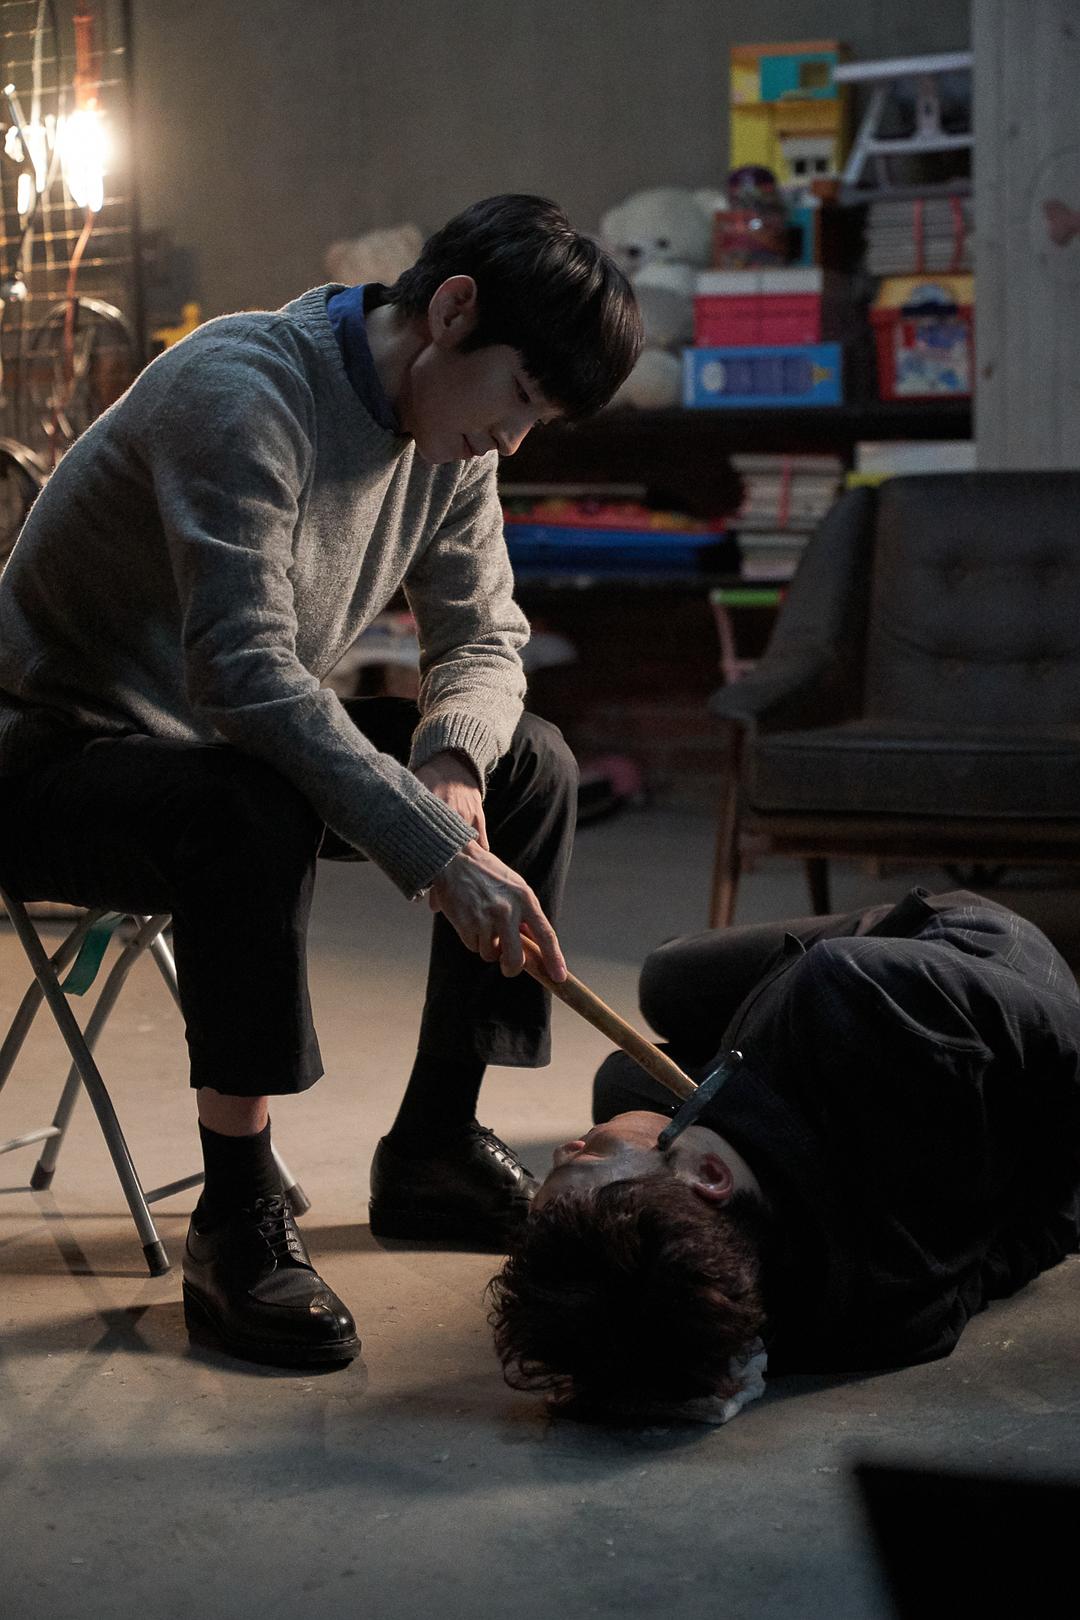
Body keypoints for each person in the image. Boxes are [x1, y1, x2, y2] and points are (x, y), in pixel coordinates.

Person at [0, 195, 643, 1369]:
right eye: (520, 398)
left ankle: (434, 1146)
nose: (514, 442)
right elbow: (245, 676)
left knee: (532, 763)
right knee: (245, 801)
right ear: (453, 312)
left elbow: (485, 636)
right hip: (49, 752)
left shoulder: (447, 441)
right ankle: (236, 1218)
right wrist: (433, 851)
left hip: (203, 738)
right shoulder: (241, 390)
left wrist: (451, 766)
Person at [489, 889, 1080, 1419]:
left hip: (844, 1125)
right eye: (584, 1159)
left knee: (621, 1081)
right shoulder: (859, 990)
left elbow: (1026, 1245)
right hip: (965, 957)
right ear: (709, 1174)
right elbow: (1066, 1046)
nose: (566, 1147)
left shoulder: (839, 1323)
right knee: (668, 976)